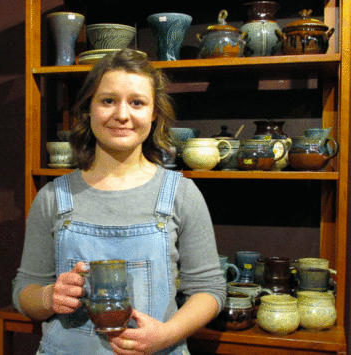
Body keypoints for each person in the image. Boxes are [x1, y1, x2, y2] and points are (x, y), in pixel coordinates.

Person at [12, 48, 226, 355]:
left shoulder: (181, 194)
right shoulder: (53, 198)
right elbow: (24, 291)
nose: (122, 115)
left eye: (137, 102)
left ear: (154, 113)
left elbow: (210, 290)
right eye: (108, 100)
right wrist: (48, 297)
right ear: (89, 108)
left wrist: (167, 335)